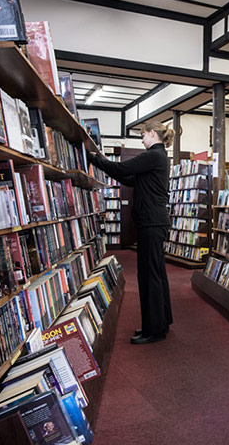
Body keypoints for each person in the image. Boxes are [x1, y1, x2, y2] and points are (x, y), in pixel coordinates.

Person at [89, 121, 175, 344]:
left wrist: (96, 159)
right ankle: (160, 323)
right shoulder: (157, 157)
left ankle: (153, 330)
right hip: (154, 222)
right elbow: (128, 178)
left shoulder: (153, 155)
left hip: (151, 222)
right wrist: (103, 163)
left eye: (143, 135)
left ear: (152, 133)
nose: (142, 140)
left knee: (149, 275)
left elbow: (121, 169)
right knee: (155, 273)